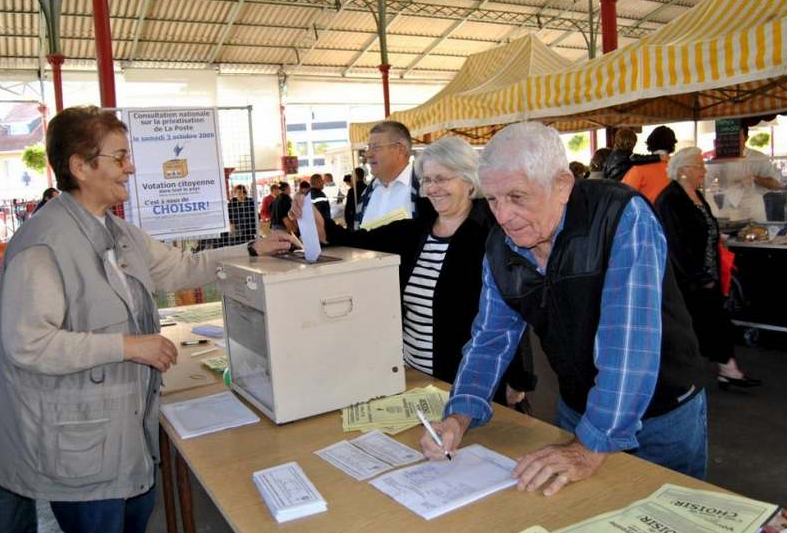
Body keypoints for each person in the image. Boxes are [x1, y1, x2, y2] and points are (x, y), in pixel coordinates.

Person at [0, 106, 296, 533]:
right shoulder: (42, 245)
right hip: (80, 451)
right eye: (119, 158)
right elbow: (29, 343)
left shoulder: (118, 232)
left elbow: (179, 268)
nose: (131, 168)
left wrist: (251, 250)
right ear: (80, 167)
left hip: (126, 434)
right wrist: (128, 346)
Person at [420, 122, 707, 497]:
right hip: (579, 410)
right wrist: (459, 415)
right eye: (492, 200)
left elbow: (628, 347)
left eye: (517, 197)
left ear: (562, 185)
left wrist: (588, 448)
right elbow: (490, 339)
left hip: (662, 412)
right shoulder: (499, 246)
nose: (502, 216)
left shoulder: (620, 216)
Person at [291, 136, 528, 405]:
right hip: (414, 379)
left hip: (469, 384)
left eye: (442, 179)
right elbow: (356, 240)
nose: (433, 188)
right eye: (427, 180)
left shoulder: (492, 236)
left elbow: (513, 309)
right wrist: (313, 218)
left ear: (470, 180)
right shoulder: (415, 232)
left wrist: (517, 377)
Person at [654, 147, 761, 390]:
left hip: (706, 274)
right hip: (688, 280)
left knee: (710, 323)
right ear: (683, 171)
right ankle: (717, 371)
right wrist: (697, 276)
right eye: (699, 166)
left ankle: (725, 369)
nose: (703, 171)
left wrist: (716, 237)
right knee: (696, 327)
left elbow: (704, 226)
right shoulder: (670, 199)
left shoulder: (696, 195)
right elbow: (674, 245)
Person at [356, 121, 432, 229]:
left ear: (400, 150)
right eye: (368, 148)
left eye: (376, 147)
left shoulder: (427, 189)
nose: (368, 155)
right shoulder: (366, 194)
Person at [622, 125, 677, 203]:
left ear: (650, 142)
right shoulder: (680, 168)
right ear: (673, 144)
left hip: (648, 213)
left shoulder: (638, 169)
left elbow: (624, 198)